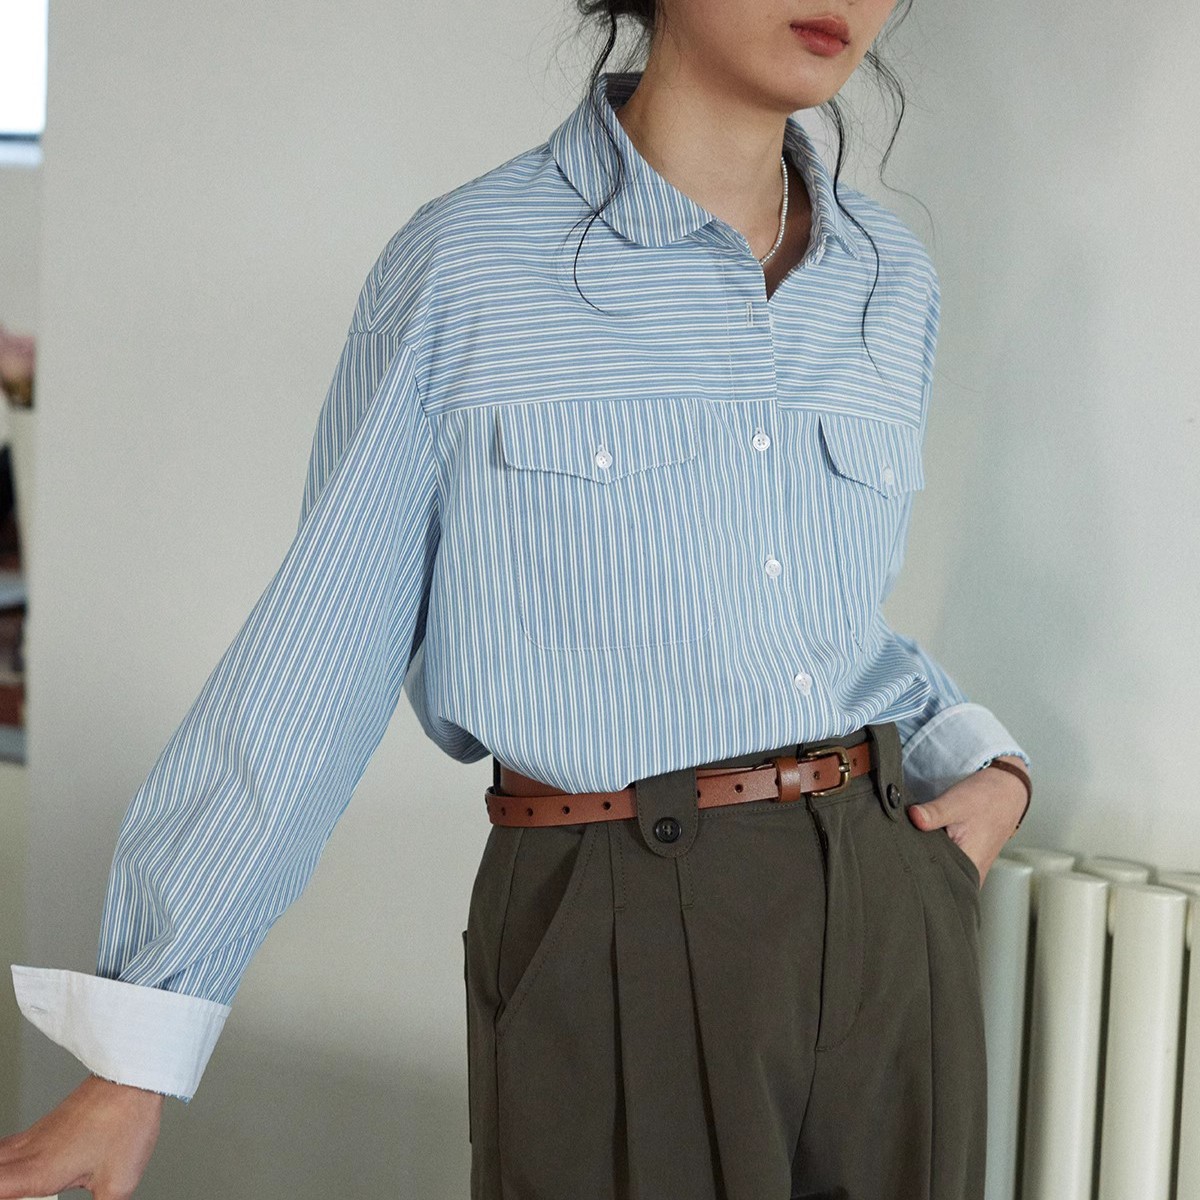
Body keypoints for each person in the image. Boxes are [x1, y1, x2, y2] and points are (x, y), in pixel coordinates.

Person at [0, 0, 1034, 1197]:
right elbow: (320, 654)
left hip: (890, 909)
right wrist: (136, 1053)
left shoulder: (888, 277)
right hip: (621, 911)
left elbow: (821, 625)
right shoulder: (473, 265)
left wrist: (987, 762)